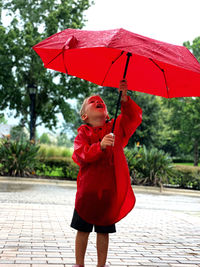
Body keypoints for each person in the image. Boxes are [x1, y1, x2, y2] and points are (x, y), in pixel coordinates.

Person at [71, 80, 142, 267]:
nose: (98, 101)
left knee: (104, 231)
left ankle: (101, 265)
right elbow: (80, 155)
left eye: (100, 101)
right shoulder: (82, 134)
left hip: (108, 192)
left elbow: (133, 118)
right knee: (82, 229)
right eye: (92, 102)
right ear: (85, 116)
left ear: (107, 113)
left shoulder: (115, 128)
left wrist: (125, 100)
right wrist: (99, 146)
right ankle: (79, 264)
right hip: (87, 193)